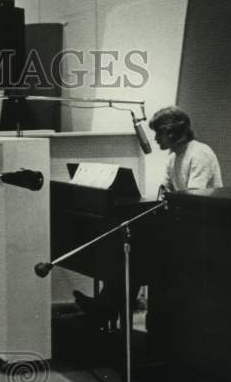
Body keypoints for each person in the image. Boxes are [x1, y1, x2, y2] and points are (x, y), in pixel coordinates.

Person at [74, 106, 222, 319]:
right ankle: (109, 305)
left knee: (137, 252)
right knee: (128, 248)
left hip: (203, 230)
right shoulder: (174, 157)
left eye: (159, 133)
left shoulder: (200, 154)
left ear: (173, 133)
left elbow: (192, 200)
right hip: (185, 225)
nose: (155, 138)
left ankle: (108, 307)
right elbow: (164, 191)